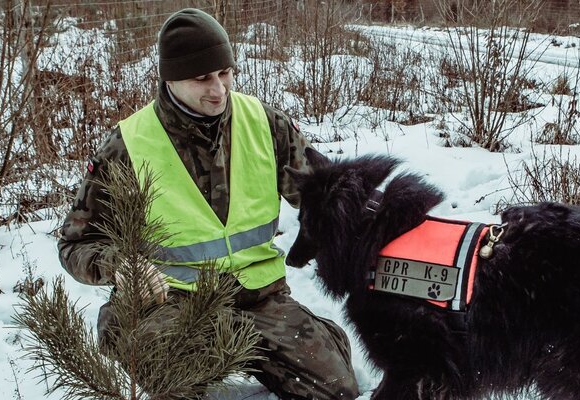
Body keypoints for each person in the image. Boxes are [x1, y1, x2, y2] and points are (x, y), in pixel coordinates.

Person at [57, 8, 359, 399]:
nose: (218, 89)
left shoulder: (265, 123)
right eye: (201, 78)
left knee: (337, 390)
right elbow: (75, 244)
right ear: (170, 78)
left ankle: (319, 335)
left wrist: (383, 218)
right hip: (171, 305)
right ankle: (125, 333)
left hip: (258, 297)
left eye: (225, 73)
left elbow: (329, 195)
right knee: (176, 388)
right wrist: (122, 266)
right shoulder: (127, 145)